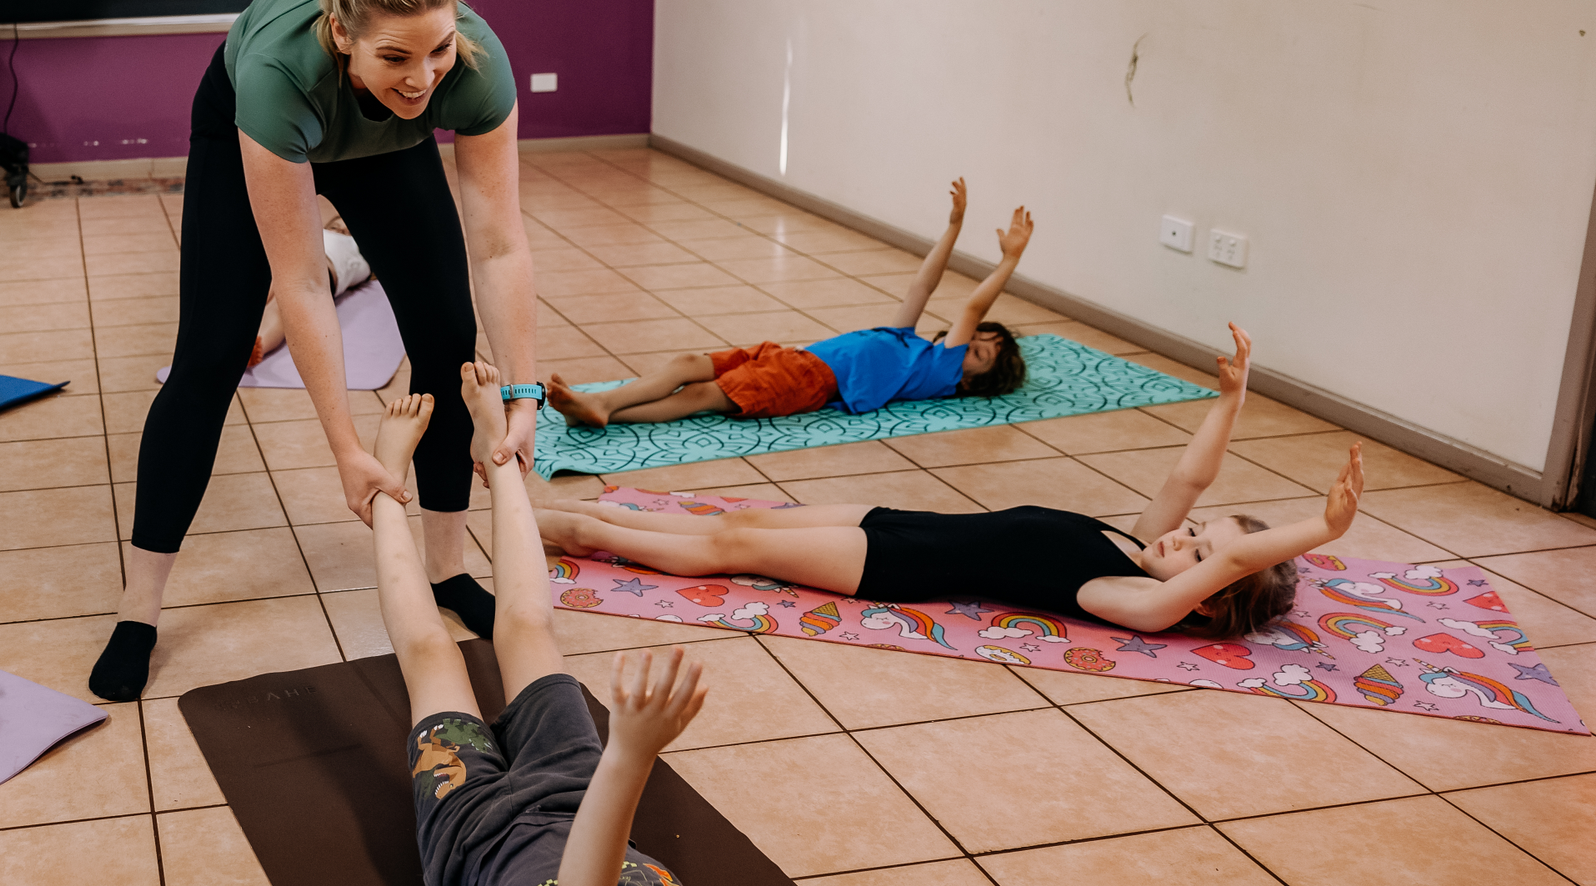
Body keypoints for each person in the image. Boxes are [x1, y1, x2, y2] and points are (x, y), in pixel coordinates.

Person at [374, 363, 1090, 886]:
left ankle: (382, 492)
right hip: (574, 793)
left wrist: (632, 754)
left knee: (433, 653)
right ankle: (502, 460)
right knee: (530, 628)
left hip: (480, 839)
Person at [95, 0, 543, 702]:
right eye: (396, 56)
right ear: (342, 33)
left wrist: (524, 396)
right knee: (209, 356)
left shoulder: (468, 67)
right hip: (256, 118)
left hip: (385, 146)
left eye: (437, 48)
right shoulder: (279, 72)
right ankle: (139, 609)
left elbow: (500, 246)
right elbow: (301, 283)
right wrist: (346, 446)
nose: (423, 76)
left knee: (447, 338)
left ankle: (447, 569)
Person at [542, 325, 1360, 638]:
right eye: (1201, 529)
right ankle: (593, 520)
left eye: (1201, 554)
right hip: (906, 517)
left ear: (1209, 597)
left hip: (900, 566)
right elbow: (1190, 472)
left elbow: (1225, 564)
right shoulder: (1140, 546)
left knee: (733, 543)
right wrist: (1232, 399)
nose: (1186, 536)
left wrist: (1320, 532)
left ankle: (583, 533)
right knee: (748, 521)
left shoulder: (1134, 598)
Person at [547, 180, 1033, 431]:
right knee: (687, 364)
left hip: (811, 379)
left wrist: (1009, 260)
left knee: (701, 397)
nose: (967, 344)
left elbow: (970, 307)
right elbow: (921, 289)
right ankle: (603, 404)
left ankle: (605, 408)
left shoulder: (943, 374)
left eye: (978, 352)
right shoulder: (912, 350)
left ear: (972, 380)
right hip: (794, 358)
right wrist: (953, 226)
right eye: (977, 342)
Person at [247, 208, 373, 369]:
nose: (341, 230)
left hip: (319, 272)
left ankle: (258, 343)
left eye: (349, 230)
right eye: (335, 227)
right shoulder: (318, 232)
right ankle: (239, 336)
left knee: (283, 306)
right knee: (266, 290)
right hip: (289, 262)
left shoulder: (360, 256)